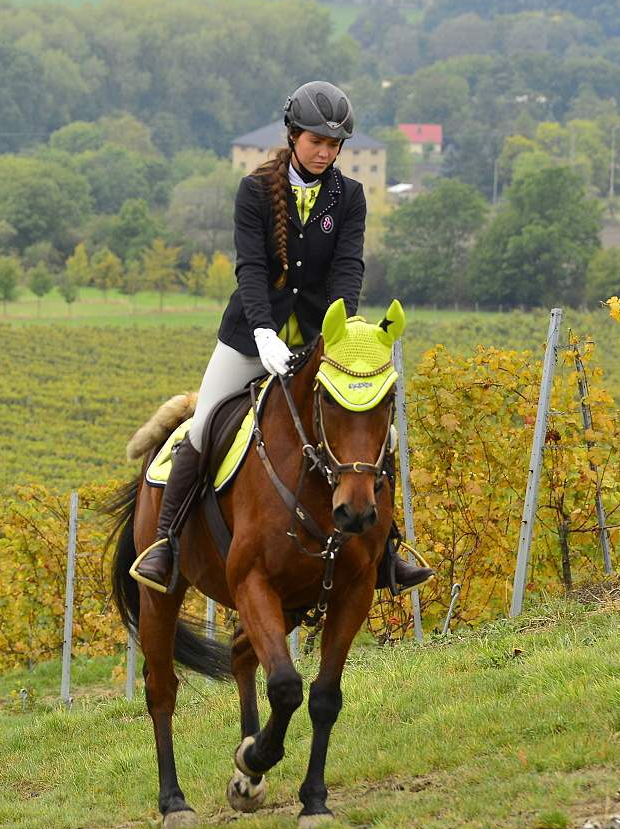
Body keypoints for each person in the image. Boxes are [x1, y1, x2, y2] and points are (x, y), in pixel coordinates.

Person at [129, 81, 432, 597]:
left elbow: (347, 270)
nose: (325, 151)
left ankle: (387, 550)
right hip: (250, 335)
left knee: (384, 438)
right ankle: (165, 544)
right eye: (317, 140)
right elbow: (250, 268)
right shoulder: (254, 190)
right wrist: (264, 332)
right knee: (202, 430)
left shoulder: (350, 196)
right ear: (292, 135)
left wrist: (338, 333)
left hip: (319, 340)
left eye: (334, 145)